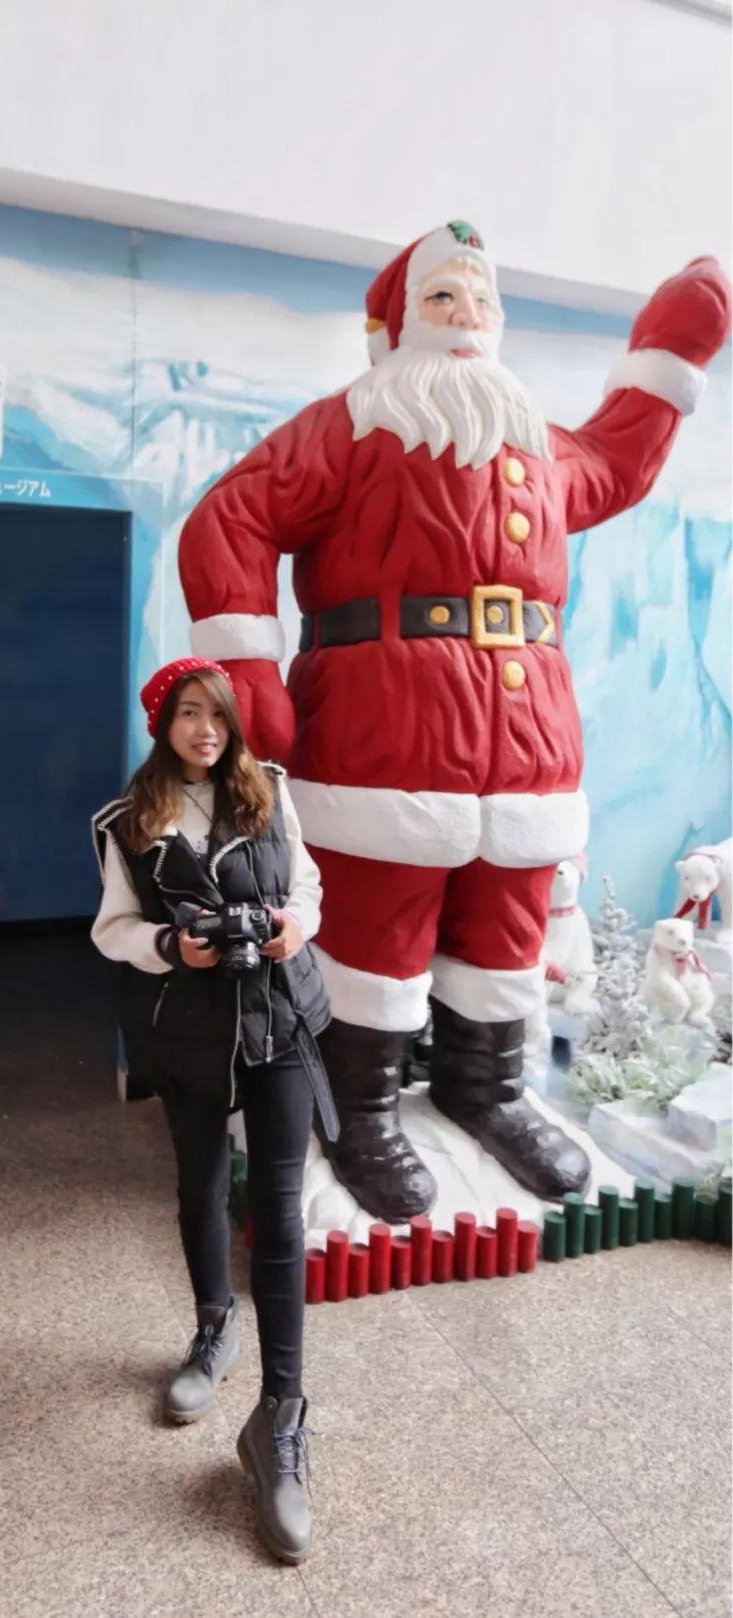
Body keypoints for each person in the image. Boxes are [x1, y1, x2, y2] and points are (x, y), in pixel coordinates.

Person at [178, 223, 732, 1221]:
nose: (467, 316)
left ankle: (488, 1090)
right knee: (375, 923)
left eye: (482, 301)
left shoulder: (536, 445)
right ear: (395, 330)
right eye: (442, 298)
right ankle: (359, 1109)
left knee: (506, 924)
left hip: (527, 737)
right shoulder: (348, 426)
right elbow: (234, 516)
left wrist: (669, 354)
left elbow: (615, 462)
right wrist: (246, 666)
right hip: (384, 727)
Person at [91, 656, 338, 1565]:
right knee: (199, 1184)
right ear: (163, 723)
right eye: (189, 714)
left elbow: (307, 884)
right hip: (189, 1031)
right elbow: (112, 929)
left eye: (219, 716)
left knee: (278, 1209)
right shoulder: (128, 820)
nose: (206, 731)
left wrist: (293, 925)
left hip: (278, 1019)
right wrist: (171, 943)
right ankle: (212, 1331)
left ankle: (280, 1419)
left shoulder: (267, 790)